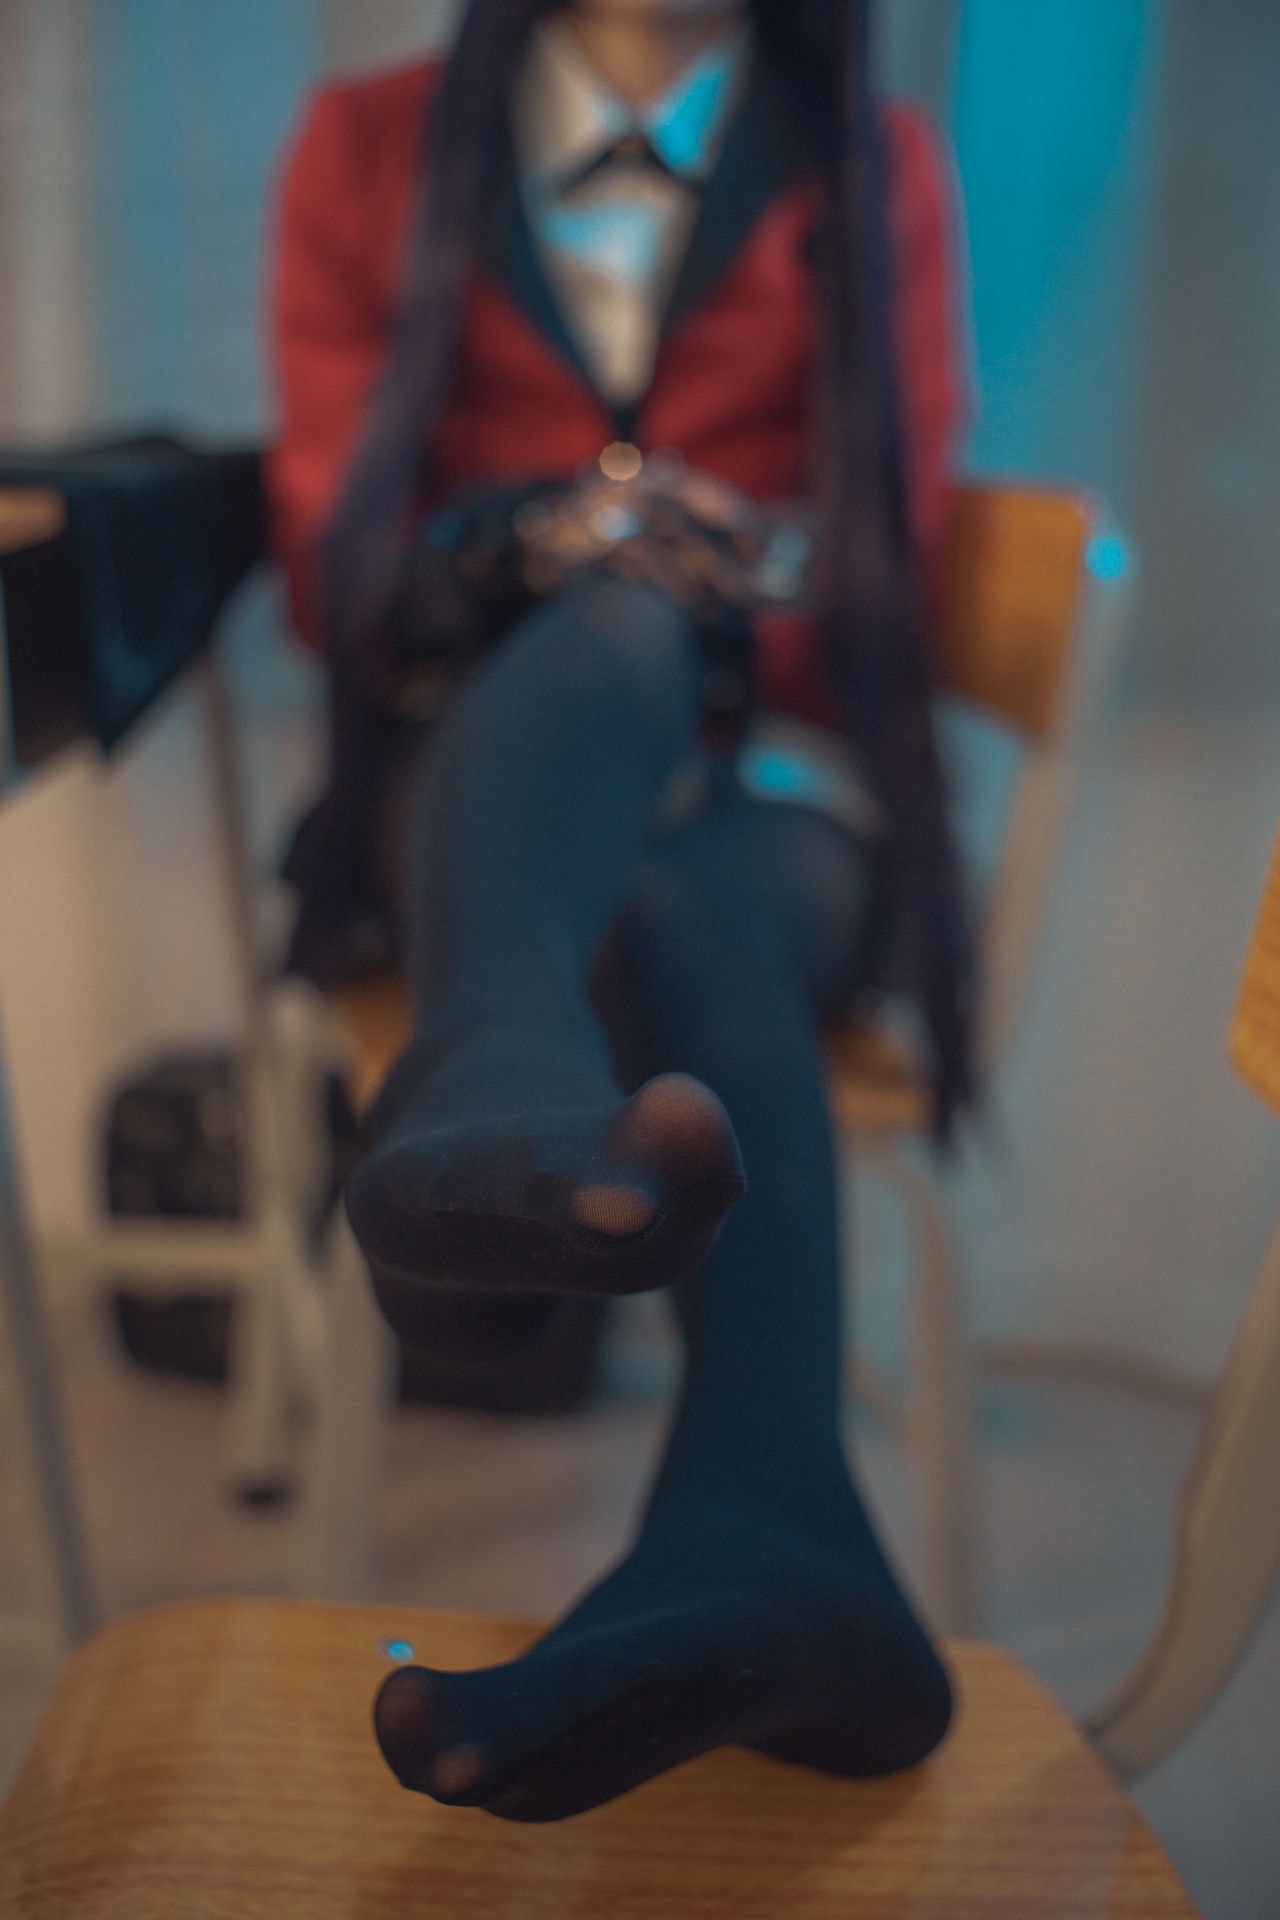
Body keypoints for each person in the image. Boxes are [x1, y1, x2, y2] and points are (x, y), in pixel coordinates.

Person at [267, 0, 973, 1823]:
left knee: (682, 818)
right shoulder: (369, 146)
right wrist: (540, 532)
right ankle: (784, 1542)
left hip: (769, 784)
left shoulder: (871, 155)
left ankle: (482, 1082)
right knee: (610, 636)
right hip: (494, 764)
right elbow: (334, 555)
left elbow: (901, 539)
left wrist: (709, 545)